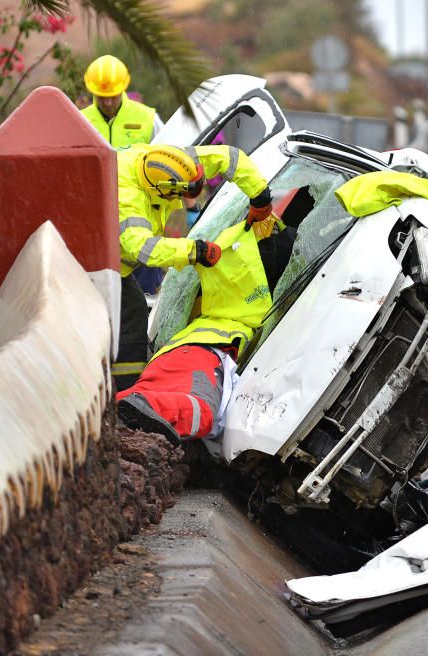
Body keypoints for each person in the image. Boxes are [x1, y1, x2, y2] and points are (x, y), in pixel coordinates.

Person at [115, 205, 283, 444]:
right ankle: (126, 406)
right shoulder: (252, 310)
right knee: (199, 413)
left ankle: (105, 411)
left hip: (172, 355)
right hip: (203, 357)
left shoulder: (212, 303)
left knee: (144, 398)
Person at [111, 143, 273, 391]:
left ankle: (124, 386)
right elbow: (145, 249)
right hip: (97, 266)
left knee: (130, 314)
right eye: (178, 196)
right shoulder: (127, 198)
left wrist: (260, 195)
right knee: (130, 316)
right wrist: (195, 251)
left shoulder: (174, 161)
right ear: (162, 190)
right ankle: (123, 391)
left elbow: (229, 158)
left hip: (116, 266)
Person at [81, 55, 163, 148]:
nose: (108, 103)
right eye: (102, 97)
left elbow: (169, 154)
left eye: (113, 97)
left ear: (123, 89)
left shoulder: (149, 119)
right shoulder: (79, 121)